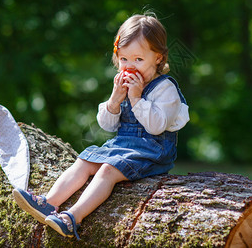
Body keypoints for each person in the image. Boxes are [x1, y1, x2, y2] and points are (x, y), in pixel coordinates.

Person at [12, 13, 190, 239]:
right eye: (124, 59)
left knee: (107, 170)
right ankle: (48, 203)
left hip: (152, 150)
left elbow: (156, 127)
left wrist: (136, 99)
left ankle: (72, 218)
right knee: (84, 160)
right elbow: (107, 124)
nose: (130, 66)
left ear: (158, 58)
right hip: (123, 144)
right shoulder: (124, 84)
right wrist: (115, 100)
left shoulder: (165, 89)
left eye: (138, 60)